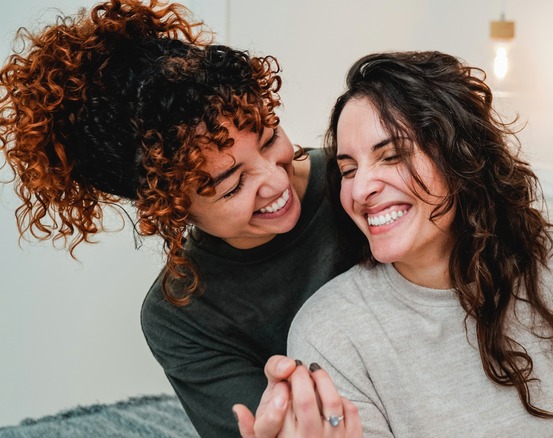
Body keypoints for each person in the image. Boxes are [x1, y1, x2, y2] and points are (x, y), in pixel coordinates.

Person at [240, 51, 553, 437]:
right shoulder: (331, 335)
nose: (361, 188)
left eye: (392, 155)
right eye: (348, 169)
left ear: (460, 156)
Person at [0, 1, 357, 436]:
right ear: (171, 207)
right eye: (232, 185)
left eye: (269, 139)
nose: (276, 180)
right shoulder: (182, 315)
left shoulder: (358, 180)